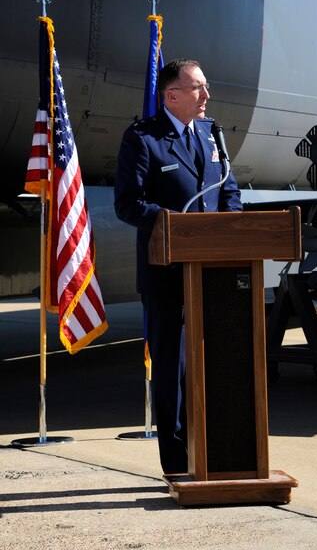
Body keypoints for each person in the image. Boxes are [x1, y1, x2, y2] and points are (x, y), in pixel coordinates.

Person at [114, 58, 243, 474]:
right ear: (172, 95)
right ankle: (176, 464)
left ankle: (214, 455)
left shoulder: (212, 134)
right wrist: (175, 225)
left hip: (211, 272)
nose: (207, 95)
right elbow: (128, 204)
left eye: (205, 87)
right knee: (171, 368)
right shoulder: (143, 139)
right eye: (197, 88)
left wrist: (231, 226)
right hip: (165, 273)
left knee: (215, 365)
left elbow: (229, 192)